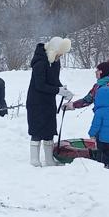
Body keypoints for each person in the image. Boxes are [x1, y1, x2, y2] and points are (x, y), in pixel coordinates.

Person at [27, 37, 74, 167]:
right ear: (53, 51)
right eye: (60, 53)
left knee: (49, 130)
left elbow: (54, 81)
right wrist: (57, 90)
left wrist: (63, 90)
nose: (61, 56)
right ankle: (34, 160)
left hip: (48, 102)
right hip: (36, 102)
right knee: (37, 130)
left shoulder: (55, 62)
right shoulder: (40, 63)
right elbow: (40, 85)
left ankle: (49, 160)